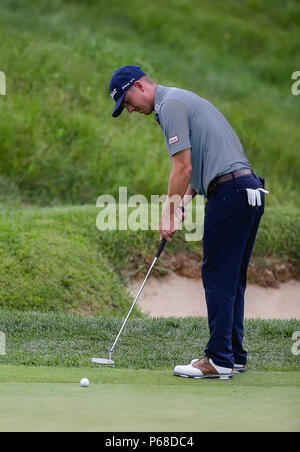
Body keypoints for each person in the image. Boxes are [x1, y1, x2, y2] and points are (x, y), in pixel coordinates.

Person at [109, 65, 268, 380]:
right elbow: (200, 166)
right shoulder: (181, 101)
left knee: (217, 276)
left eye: (127, 101)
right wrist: (182, 205)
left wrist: (168, 211)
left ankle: (219, 358)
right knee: (232, 279)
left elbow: (182, 167)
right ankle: (234, 356)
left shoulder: (170, 107)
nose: (129, 110)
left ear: (140, 86)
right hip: (249, 190)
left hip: (230, 194)